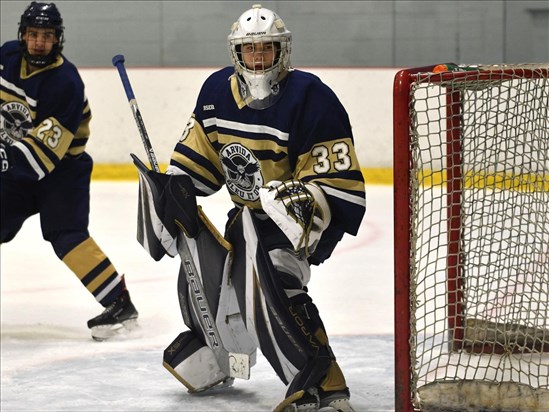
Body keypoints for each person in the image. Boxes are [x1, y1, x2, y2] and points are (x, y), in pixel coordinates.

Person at [135, 4, 366, 411]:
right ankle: (216, 350)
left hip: (293, 223)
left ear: (283, 51)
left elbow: (337, 183)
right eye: (250, 50)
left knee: (273, 281)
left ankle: (323, 380)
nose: (258, 58)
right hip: (246, 217)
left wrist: (298, 202)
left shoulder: (313, 98)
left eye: (267, 49)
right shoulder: (214, 94)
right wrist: (172, 190)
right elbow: (198, 164)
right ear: (236, 54)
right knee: (202, 267)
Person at [0, 2, 139, 341]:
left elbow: (43, 153)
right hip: (14, 161)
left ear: (57, 39)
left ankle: (119, 304)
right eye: (33, 35)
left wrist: (3, 158)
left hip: (62, 170)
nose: (38, 43)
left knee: (66, 235)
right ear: (22, 35)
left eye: (46, 36)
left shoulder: (65, 83)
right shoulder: (5, 57)